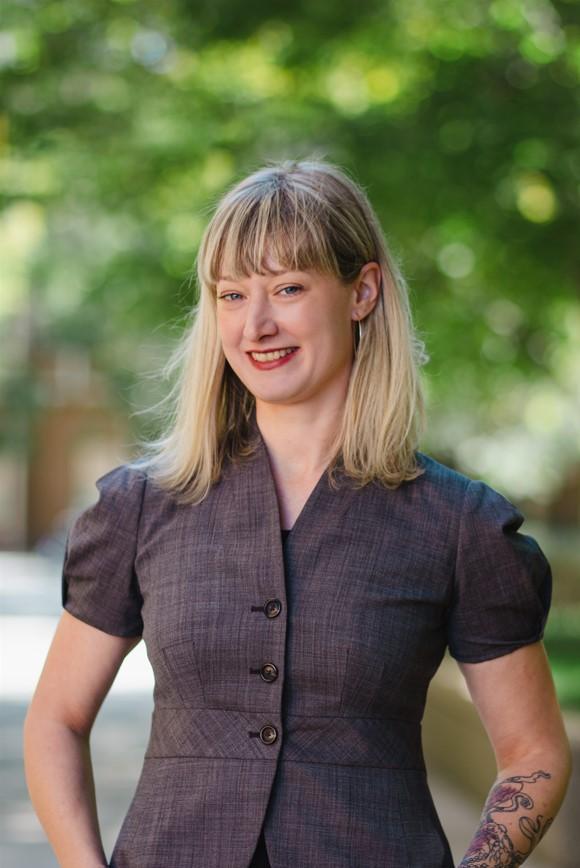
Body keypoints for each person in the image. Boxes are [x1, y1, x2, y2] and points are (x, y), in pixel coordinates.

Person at [24, 158, 571, 868]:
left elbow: (534, 752)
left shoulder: (457, 524)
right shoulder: (141, 508)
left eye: (287, 288)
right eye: (231, 294)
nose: (256, 324)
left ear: (362, 291)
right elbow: (56, 721)